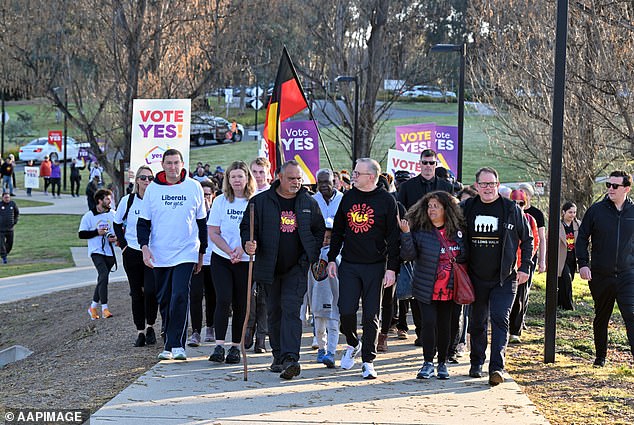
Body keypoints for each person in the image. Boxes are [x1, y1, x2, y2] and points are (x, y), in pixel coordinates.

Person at [241, 160, 325, 380]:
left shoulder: (308, 202)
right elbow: (248, 228)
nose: (296, 182)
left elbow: (319, 230)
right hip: (268, 267)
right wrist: (248, 243)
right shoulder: (259, 202)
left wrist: (310, 256)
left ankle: (290, 358)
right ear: (279, 177)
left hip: (296, 268)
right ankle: (278, 357)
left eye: (299, 178)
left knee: (290, 310)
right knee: (274, 312)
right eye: (291, 178)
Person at [327, 158, 399, 379]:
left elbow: (394, 237)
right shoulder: (348, 197)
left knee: (371, 315)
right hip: (349, 263)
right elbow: (338, 230)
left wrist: (392, 269)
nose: (353, 176)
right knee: (346, 310)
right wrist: (331, 258)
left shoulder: (386, 200)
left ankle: (368, 360)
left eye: (357, 173)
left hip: (376, 266)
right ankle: (352, 342)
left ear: (371, 176)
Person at [462, 167, 533, 386]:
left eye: (491, 184)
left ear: (497, 184)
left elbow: (527, 239)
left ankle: (497, 368)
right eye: (483, 184)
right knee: (477, 322)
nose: (487, 188)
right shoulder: (467, 208)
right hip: (475, 276)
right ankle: (476, 362)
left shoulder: (511, 209)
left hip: (505, 277)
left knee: (501, 319)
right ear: (476, 186)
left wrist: (525, 267)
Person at [137, 149, 207, 361]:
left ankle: (177, 345)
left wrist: (201, 253)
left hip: (186, 251)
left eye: (176, 163)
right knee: (165, 298)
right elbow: (143, 223)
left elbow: (201, 223)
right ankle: (169, 341)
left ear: (183, 164)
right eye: (169, 163)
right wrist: (145, 247)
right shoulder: (152, 190)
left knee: (179, 295)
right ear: (163, 165)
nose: (173, 167)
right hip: (160, 253)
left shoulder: (194, 187)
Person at [400, 191, 467, 379]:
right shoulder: (421, 231)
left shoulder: (458, 231)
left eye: (436, 206)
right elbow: (408, 256)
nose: (431, 210)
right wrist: (406, 235)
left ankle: (443, 363)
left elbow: (465, 255)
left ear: (447, 208)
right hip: (426, 287)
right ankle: (428, 362)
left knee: (445, 326)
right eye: (429, 206)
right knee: (428, 324)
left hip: (450, 287)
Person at [576, 170, 634, 367]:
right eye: (608, 185)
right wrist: (583, 264)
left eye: (615, 186)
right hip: (601, 274)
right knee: (602, 316)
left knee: (631, 315)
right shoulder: (596, 211)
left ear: (626, 188)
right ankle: (600, 357)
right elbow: (582, 238)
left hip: (628, 275)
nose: (610, 189)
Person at [397, 149, 454, 344]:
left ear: (436, 164)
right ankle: (422, 333)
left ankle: (437, 334)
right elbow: (401, 215)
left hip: (441, 244)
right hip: (416, 243)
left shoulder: (446, 186)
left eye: (432, 163)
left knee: (441, 289)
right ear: (419, 164)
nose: (428, 166)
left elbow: (453, 215)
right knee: (417, 291)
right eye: (425, 162)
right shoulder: (407, 187)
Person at [207, 161, 256, 365]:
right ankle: (219, 345)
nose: (237, 180)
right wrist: (229, 250)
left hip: (245, 260)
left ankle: (236, 346)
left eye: (240, 176)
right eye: (233, 176)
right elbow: (213, 232)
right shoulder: (220, 201)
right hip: (223, 258)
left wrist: (244, 248)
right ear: (228, 179)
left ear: (247, 178)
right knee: (223, 299)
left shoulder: (254, 202)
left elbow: (260, 232)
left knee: (240, 304)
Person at [113, 166, 159, 347]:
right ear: (137, 180)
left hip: (151, 252)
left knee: (150, 290)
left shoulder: (156, 200)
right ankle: (140, 330)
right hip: (131, 251)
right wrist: (123, 246)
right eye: (143, 178)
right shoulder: (128, 201)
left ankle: (151, 326)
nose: (147, 181)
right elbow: (117, 224)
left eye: (150, 178)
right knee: (136, 293)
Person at [243, 157, 272, 353]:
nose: (258, 176)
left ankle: (262, 336)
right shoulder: (246, 195)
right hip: (248, 255)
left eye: (261, 172)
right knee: (248, 298)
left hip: (268, 254)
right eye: (254, 172)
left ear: (268, 173)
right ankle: (247, 332)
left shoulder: (273, 195)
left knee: (264, 299)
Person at [79, 188, 117, 320]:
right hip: (96, 251)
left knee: (102, 278)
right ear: (100, 201)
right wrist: (96, 232)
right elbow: (81, 234)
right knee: (104, 275)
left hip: (109, 251)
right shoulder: (89, 216)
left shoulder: (113, 214)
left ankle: (93, 307)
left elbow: (118, 229)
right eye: (107, 199)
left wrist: (114, 238)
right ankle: (105, 308)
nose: (110, 201)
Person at [187, 180, 218, 346]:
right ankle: (196, 331)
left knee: (212, 295)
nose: (205, 198)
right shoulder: (194, 214)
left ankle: (211, 326)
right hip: (197, 259)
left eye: (208, 195)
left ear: (213, 195)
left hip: (213, 260)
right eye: (202, 195)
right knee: (196, 295)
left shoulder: (217, 211)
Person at [307, 220, 340, 368]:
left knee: (333, 325)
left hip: (333, 297)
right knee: (319, 328)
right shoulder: (312, 254)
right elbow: (309, 280)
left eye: (329, 238)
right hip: (317, 297)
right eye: (324, 237)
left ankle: (331, 353)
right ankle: (322, 349)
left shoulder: (337, 255)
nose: (326, 241)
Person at [508, 189, 540, 343]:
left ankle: (515, 331)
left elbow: (534, 241)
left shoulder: (530, 219)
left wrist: (526, 262)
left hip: (522, 265)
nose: (517, 206)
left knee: (520, 298)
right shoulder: (506, 216)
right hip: (507, 265)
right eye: (514, 202)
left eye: (521, 203)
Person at [557, 202, 580, 311]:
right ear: (563, 212)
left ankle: (559, 302)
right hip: (561, 258)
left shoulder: (578, 225)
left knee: (567, 281)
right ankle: (568, 306)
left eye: (574, 212)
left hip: (572, 257)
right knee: (566, 279)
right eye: (570, 212)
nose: (572, 215)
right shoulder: (558, 225)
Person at [0, 192, 19, 264]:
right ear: (2, 198)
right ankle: (4, 257)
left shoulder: (13, 204)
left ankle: (5, 253)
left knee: (10, 244)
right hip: (1, 229)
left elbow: (17, 213)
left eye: (8, 197)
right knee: (1, 244)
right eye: (5, 197)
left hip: (10, 229)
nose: (7, 199)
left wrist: (15, 221)